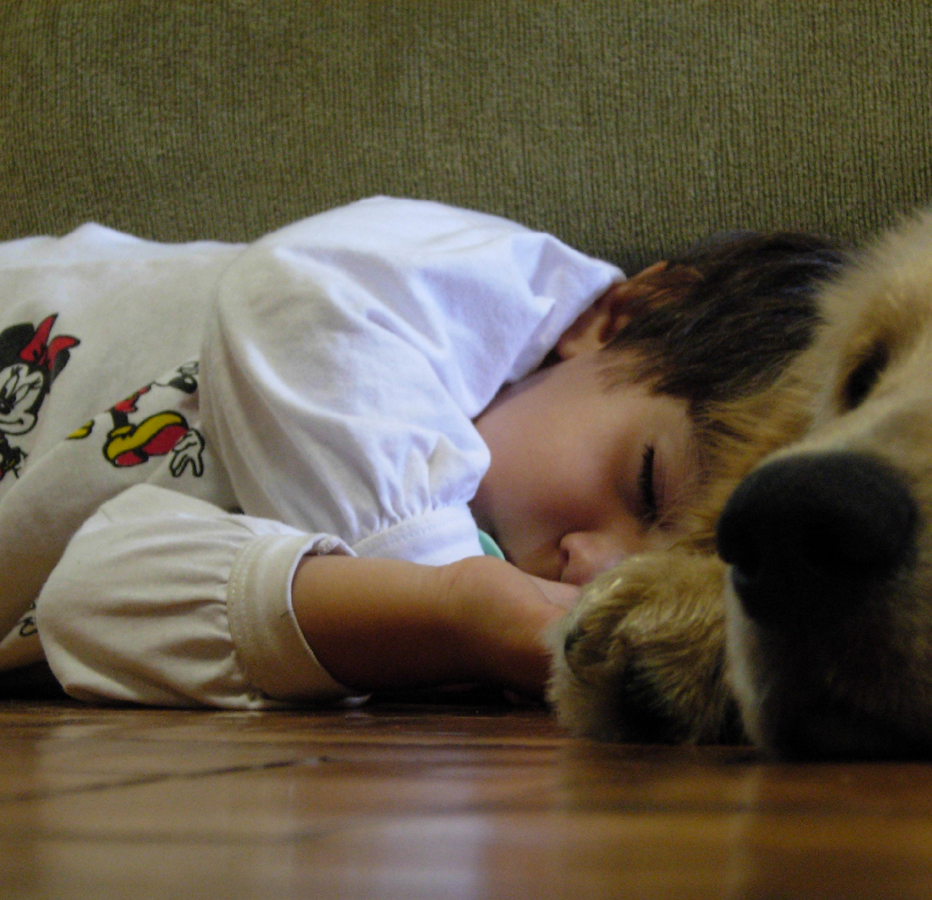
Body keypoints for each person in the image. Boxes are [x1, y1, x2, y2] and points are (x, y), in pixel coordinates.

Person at [0, 197, 842, 708]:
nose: (599, 575)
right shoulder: (494, 293)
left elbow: (92, 594)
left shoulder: (479, 618)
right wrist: (420, 560)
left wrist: (444, 616)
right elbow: (298, 293)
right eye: (646, 485)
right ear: (620, 320)